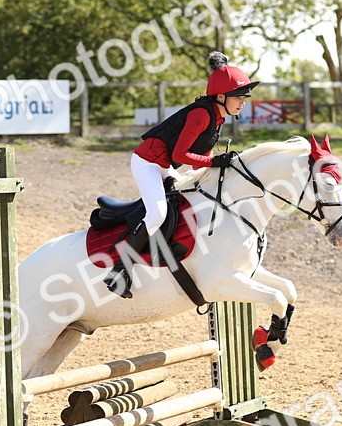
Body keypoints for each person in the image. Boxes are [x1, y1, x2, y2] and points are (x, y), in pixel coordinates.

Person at [103, 51, 258, 298]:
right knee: (157, 213)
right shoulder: (201, 114)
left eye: (244, 98)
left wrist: (222, 166)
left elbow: (200, 162)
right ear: (220, 96)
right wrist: (213, 162)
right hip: (147, 162)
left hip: (164, 164)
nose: (243, 102)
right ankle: (120, 269)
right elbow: (182, 154)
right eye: (238, 97)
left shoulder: (217, 118)